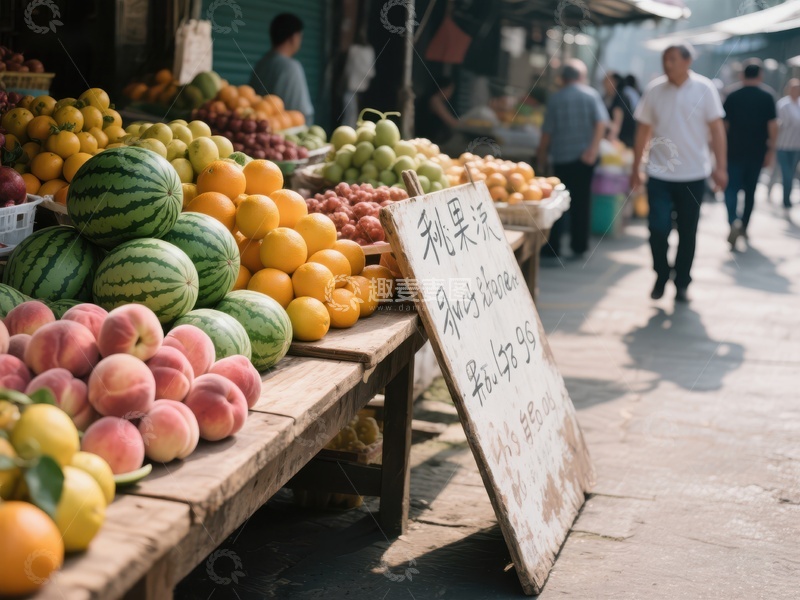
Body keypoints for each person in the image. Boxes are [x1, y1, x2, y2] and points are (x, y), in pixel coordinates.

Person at [631, 42, 727, 303]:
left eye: (673, 59)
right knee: (657, 228)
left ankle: (682, 282)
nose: (667, 64)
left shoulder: (705, 89)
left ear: (687, 61)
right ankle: (661, 273)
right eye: (665, 59)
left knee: (687, 231)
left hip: (693, 175)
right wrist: (635, 167)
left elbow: (717, 130)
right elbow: (643, 131)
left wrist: (720, 167)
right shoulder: (654, 90)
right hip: (659, 174)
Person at [537, 60, 609, 259]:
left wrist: (541, 155)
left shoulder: (555, 99)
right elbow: (602, 122)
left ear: (563, 79)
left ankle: (552, 249)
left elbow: (547, 132)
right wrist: (592, 150)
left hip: (561, 158)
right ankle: (579, 246)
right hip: (585, 159)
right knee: (581, 202)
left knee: (557, 202)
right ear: (581, 77)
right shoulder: (591, 95)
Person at [723, 62, 777, 246]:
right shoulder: (767, 96)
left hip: (733, 152)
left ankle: (733, 220)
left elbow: (724, 126)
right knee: (750, 191)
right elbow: (772, 127)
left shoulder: (732, 95)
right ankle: (744, 225)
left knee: (731, 189)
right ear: (760, 75)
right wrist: (771, 151)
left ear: (742, 75)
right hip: (757, 153)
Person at [250, 13, 314, 124]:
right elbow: (303, 113)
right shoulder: (291, 67)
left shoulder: (261, 63)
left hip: (257, 128)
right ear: (294, 37)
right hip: (283, 131)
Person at [341, 32, 375, 128]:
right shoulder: (366, 51)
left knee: (352, 114)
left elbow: (347, 70)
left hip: (355, 88)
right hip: (356, 87)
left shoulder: (355, 50)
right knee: (352, 114)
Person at [776, 79, 800, 213]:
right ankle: (786, 200)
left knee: (790, 173)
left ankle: (786, 196)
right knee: (787, 173)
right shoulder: (783, 104)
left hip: (796, 146)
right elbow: (780, 124)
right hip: (783, 145)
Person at [415, 77, 459, 145]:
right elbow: (451, 122)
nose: (451, 93)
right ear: (443, 88)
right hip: (429, 140)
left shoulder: (436, 100)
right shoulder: (435, 100)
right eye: (450, 90)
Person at [603, 72, 636, 147]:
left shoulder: (620, 99)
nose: (603, 82)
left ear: (614, 82)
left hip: (624, 141)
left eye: (606, 80)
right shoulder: (606, 97)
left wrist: (609, 143)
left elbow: (616, 125)